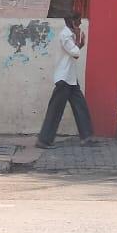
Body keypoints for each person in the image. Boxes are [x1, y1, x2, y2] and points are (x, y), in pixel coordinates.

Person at [38, 14, 94, 148]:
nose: (80, 24)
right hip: (63, 79)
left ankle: (86, 137)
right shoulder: (65, 35)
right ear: (72, 22)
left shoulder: (69, 35)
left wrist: (78, 42)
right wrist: (78, 39)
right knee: (55, 110)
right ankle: (44, 140)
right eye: (78, 22)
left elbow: (73, 55)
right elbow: (75, 53)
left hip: (70, 79)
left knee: (80, 106)